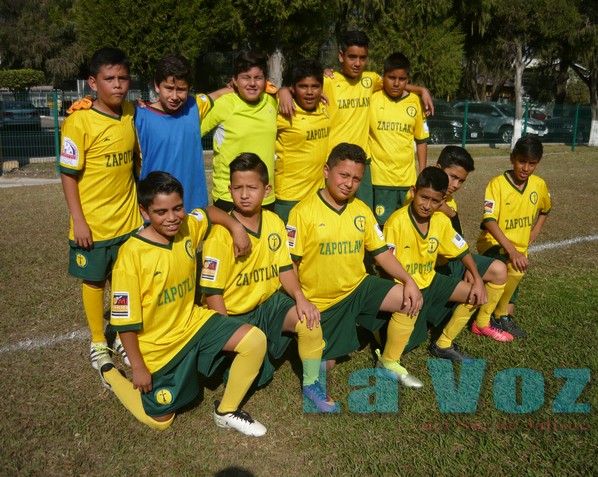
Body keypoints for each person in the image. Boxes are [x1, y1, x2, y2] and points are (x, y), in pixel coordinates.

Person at [102, 171, 268, 436]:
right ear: (145, 212)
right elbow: (125, 322)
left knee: (254, 340)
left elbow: (209, 212)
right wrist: (138, 367)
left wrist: (236, 227)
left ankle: (226, 411)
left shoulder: (188, 226)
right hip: (160, 347)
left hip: (193, 323)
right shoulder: (131, 257)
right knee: (161, 419)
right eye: (161, 212)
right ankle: (108, 371)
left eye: (178, 208)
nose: (172, 218)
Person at [200, 154, 334, 412]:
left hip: (269, 304)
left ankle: (312, 384)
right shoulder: (219, 235)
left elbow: (285, 269)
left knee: (310, 320)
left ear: (267, 190)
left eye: (252, 187)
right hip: (235, 314)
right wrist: (226, 335)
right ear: (229, 190)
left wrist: (301, 297)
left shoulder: (273, 222)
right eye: (238, 188)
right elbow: (212, 294)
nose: (245, 195)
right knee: (258, 378)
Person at [286, 143, 424, 393]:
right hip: (322, 302)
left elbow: (382, 253)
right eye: (344, 175)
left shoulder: (361, 210)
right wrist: (301, 300)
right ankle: (309, 338)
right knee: (324, 367)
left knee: (409, 298)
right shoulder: (302, 212)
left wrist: (408, 280)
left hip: (358, 288)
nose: (349, 183)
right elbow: (289, 264)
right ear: (327, 171)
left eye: (357, 178)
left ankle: (390, 361)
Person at [279, 31, 434, 211]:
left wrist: (421, 90)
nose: (357, 63)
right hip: (334, 161)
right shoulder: (328, 81)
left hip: (363, 162)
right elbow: (303, 86)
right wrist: (283, 90)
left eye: (362, 57)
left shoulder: (370, 79)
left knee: (363, 212)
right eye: (352, 57)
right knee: (331, 212)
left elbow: (394, 82)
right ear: (341, 56)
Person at [60, 47, 139, 370]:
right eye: (109, 79)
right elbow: (68, 175)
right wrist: (79, 221)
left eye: (122, 78)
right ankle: (98, 340)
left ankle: (121, 332)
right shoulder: (78, 121)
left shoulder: (131, 111)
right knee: (94, 282)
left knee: (123, 281)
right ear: (93, 83)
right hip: (93, 224)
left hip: (129, 221)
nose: (117, 85)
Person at [380, 167, 504, 367]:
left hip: (431, 280)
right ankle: (386, 343)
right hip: (405, 286)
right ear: (413, 192)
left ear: (442, 201)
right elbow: (387, 262)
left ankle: (443, 344)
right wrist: (407, 284)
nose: (428, 205)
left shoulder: (440, 221)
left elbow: (462, 250)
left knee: (475, 293)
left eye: (435, 201)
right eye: (424, 197)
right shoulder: (396, 222)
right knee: (406, 345)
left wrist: (477, 278)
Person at [430, 146, 514, 355]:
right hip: (427, 271)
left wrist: (468, 266)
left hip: (449, 263)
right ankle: (443, 341)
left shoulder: (450, 202)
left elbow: (457, 238)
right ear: (438, 168)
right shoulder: (421, 196)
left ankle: (481, 323)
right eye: (452, 177)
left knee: (498, 270)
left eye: (461, 181)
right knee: (477, 291)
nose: (456, 185)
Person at [476, 135, 552, 338]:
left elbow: (546, 209)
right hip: (493, 244)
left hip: (518, 250)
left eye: (532, 163)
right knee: (514, 267)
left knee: (510, 304)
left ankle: (500, 315)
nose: (526, 168)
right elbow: (489, 221)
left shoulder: (538, 185)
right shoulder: (497, 184)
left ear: (538, 163)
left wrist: (534, 232)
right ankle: (487, 320)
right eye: (522, 161)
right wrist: (512, 250)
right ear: (512, 158)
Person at [135, 53, 214, 212]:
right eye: (169, 88)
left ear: (189, 89)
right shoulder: (138, 115)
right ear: (157, 86)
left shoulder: (193, 107)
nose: (175, 96)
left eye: (181, 90)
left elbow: (219, 95)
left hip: (193, 209)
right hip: (157, 211)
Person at [201, 50, 278, 212]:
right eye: (246, 77)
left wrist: (286, 90)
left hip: (265, 196)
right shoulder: (224, 104)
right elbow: (190, 127)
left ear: (265, 81)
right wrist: (218, 92)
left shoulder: (271, 102)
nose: (252, 83)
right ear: (234, 81)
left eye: (258, 78)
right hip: (230, 197)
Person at [369, 52, 429, 227]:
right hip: (379, 180)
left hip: (407, 181)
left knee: (405, 227)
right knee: (381, 228)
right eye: (391, 77)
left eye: (401, 79)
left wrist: (422, 173)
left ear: (407, 79)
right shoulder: (372, 98)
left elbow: (422, 139)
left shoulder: (415, 102)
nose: (396, 83)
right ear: (383, 76)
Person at [274, 59, 331, 222]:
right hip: (289, 198)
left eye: (315, 86)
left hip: (318, 196)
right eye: (303, 86)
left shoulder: (323, 107)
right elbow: (258, 95)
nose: (309, 92)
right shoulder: (283, 110)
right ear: (293, 88)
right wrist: (281, 90)